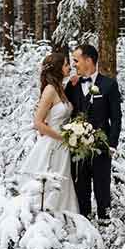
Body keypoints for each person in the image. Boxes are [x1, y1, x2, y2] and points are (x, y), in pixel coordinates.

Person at [65, 44, 122, 224]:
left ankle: (105, 223)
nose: (74, 64)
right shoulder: (72, 86)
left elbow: (116, 117)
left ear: (88, 60)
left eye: (76, 60)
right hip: (77, 147)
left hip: (101, 147)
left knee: (102, 187)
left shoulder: (109, 84)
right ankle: (84, 224)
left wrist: (111, 144)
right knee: (80, 188)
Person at [20, 52, 79, 214]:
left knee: (63, 183)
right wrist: (63, 137)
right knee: (51, 184)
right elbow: (38, 123)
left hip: (63, 146)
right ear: (58, 68)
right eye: (66, 64)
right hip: (53, 144)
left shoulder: (61, 88)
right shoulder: (50, 90)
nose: (69, 67)